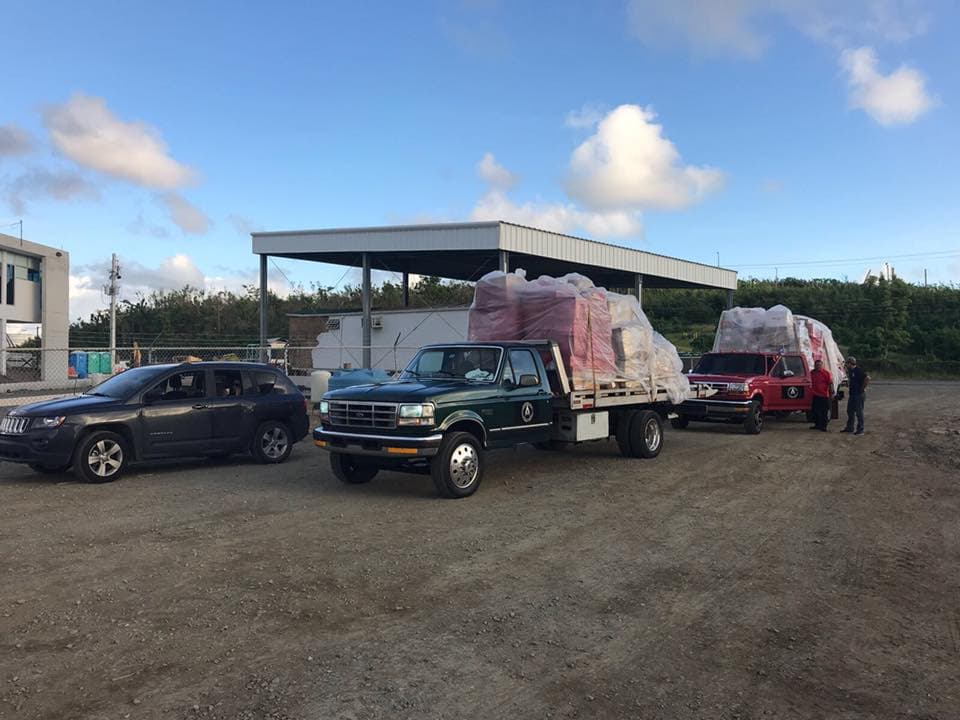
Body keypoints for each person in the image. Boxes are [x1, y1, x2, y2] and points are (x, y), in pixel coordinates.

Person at [841, 356, 870, 435]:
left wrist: (862, 388)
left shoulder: (858, 370)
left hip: (858, 394)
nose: (846, 365)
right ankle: (850, 427)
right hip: (852, 394)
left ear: (850, 363)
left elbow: (867, 378)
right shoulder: (851, 371)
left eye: (847, 363)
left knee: (859, 412)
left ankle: (860, 429)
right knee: (850, 411)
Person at [809, 358, 833, 431]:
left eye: (819, 365)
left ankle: (824, 426)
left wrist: (832, 393)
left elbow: (830, 383)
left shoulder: (826, 373)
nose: (818, 366)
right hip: (815, 395)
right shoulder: (811, 373)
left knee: (824, 412)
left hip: (824, 395)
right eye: (816, 365)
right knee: (815, 411)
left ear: (822, 365)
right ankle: (817, 425)